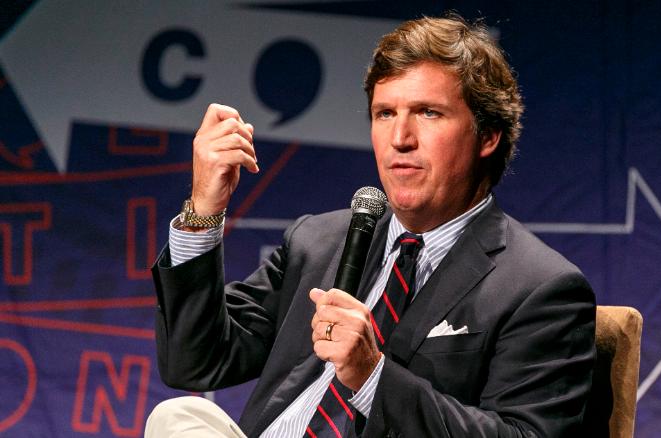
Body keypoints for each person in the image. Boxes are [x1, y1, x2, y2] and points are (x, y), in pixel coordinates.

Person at [147, 14, 596, 438]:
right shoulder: (320, 241)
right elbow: (195, 364)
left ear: (488, 136)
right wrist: (204, 210)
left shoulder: (539, 288)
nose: (399, 138)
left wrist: (372, 377)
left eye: (428, 113)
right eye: (385, 114)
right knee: (180, 416)